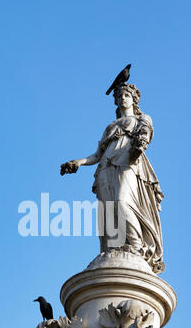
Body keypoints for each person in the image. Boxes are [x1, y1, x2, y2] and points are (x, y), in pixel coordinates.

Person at [60, 83, 165, 273]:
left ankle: (136, 246)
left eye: (126, 95)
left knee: (122, 202)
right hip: (105, 167)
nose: (122, 98)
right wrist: (79, 162)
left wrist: (139, 146)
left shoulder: (142, 118)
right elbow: (97, 154)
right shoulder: (110, 126)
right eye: (119, 97)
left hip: (128, 164)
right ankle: (114, 248)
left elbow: (145, 136)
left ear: (134, 99)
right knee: (108, 210)